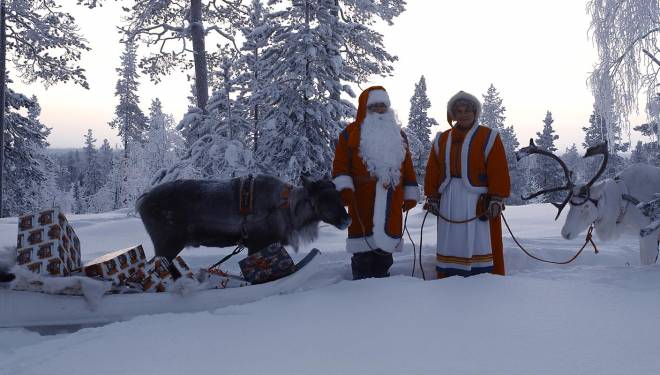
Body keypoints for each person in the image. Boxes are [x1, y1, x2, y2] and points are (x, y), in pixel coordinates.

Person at [332, 86, 419, 280]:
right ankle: (361, 285)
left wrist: (410, 194)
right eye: (374, 106)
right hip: (361, 198)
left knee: (385, 249)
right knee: (363, 248)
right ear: (364, 107)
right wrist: (344, 189)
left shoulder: (399, 134)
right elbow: (340, 165)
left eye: (383, 106)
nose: (379, 110)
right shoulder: (349, 134)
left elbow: (408, 165)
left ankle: (382, 283)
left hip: (391, 198)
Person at [424, 91, 510, 278]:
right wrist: (432, 196)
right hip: (449, 197)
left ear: (475, 112)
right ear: (452, 114)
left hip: (477, 199)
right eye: (458, 111)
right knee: (451, 236)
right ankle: (450, 272)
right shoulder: (442, 138)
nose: (463, 115)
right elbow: (433, 169)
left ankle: (480, 273)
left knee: (479, 237)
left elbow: (498, 168)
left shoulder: (489, 136)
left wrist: (496, 198)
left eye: (467, 110)